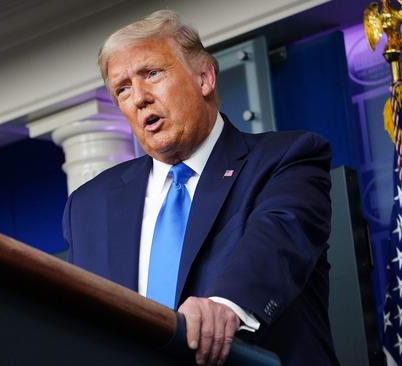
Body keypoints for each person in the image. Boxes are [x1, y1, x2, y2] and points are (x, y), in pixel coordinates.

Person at [62, 9, 338, 366]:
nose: (139, 97)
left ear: (205, 77)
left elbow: (277, 243)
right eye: (123, 89)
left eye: (152, 73)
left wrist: (223, 308)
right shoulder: (88, 207)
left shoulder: (286, 160)